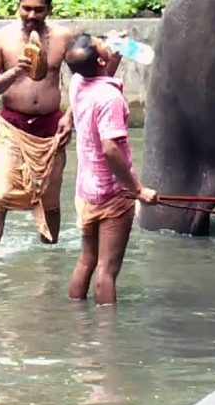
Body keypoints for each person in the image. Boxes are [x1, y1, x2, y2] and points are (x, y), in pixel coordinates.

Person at [0, 0, 73, 245]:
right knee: (0, 195)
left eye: (38, 10)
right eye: (26, 8)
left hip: (51, 128)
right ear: (18, 6)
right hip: (12, 127)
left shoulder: (63, 37)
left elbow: (86, 79)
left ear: (49, 10)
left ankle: (50, 255)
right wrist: (14, 72)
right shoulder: (0, 38)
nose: (31, 15)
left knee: (50, 199)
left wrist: (70, 116)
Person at [65, 34, 157, 305]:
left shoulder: (78, 82)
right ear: (101, 59)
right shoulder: (109, 98)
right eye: (99, 42)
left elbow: (98, 78)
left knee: (86, 260)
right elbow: (110, 149)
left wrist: (111, 57)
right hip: (113, 194)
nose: (104, 39)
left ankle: (77, 320)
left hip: (85, 191)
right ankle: (105, 341)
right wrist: (138, 190)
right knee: (107, 269)